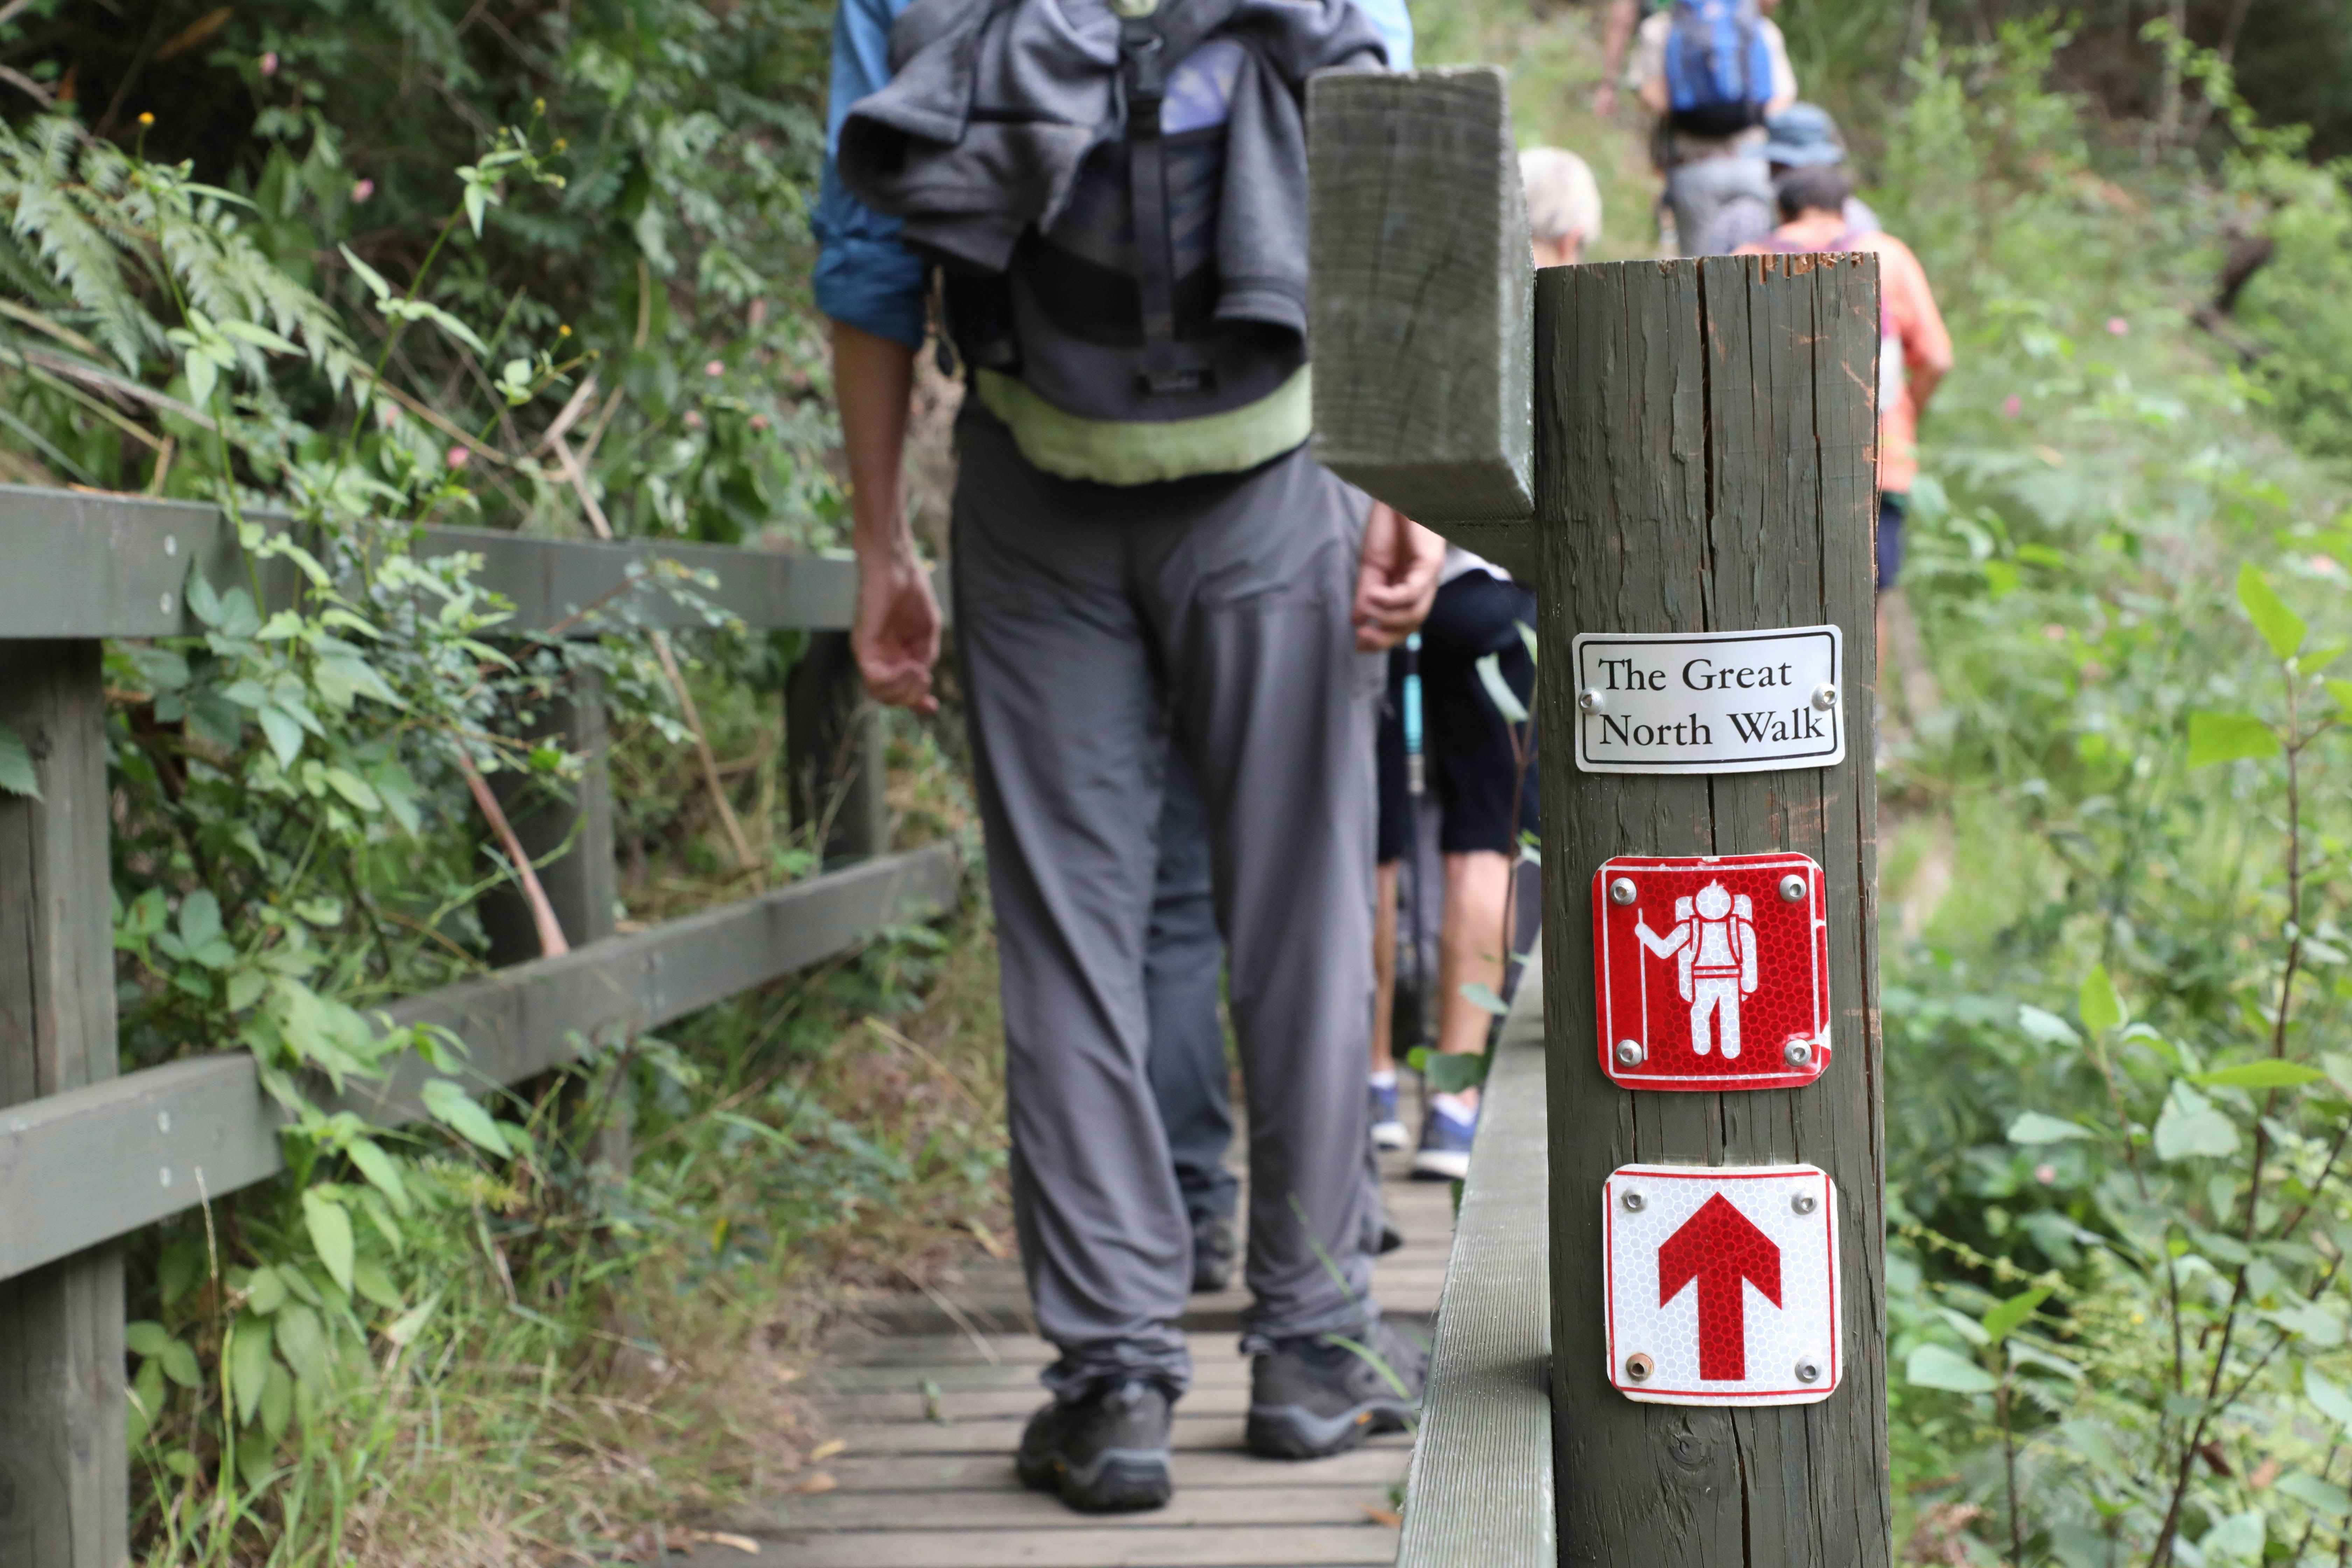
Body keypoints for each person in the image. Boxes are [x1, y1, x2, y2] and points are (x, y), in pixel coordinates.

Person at [816, 0, 1444, 1516]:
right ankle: (1309, 1350)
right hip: (1271, 475)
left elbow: (868, 250)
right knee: (1298, 913)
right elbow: (1395, 186)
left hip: (1036, 491)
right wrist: (1404, 481)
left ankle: (1112, 1388)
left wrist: (880, 540)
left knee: (1068, 940)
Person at [1364, 147, 1582, 1175]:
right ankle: (1451, 1102)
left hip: (1379, 589)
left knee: (1372, 845)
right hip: (1488, 599)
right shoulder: (1566, 322)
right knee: (1478, 845)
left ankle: (1369, 1086)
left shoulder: (1432, 306)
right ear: (1568, 236)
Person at [1737, 162, 1952, 653]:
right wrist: (1905, 411)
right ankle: (1862, 724)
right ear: (1845, 209)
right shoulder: (1889, 255)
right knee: (1865, 598)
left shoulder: (1748, 257)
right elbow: (1938, 358)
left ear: (1782, 211)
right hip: (1878, 457)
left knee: (1771, 600)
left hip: (1768, 463)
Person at [1620, 0, 1796, 257]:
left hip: (1692, 166)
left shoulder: (1661, 28)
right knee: (1761, 264)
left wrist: (1691, 116)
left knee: (1700, 268)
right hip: (1753, 164)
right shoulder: (1758, 26)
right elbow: (1782, 98)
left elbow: (1649, 93)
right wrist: (1744, 118)